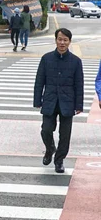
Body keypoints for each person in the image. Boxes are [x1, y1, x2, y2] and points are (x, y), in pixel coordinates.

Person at [34, 28, 83, 173]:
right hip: (50, 100)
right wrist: (37, 100)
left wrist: (79, 105)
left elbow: (79, 84)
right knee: (46, 130)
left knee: (65, 135)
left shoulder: (75, 61)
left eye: (65, 40)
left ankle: (59, 160)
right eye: (60, 39)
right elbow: (39, 80)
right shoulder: (46, 58)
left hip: (68, 102)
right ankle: (50, 149)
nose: (62, 42)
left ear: (69, 42)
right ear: (55, 40)